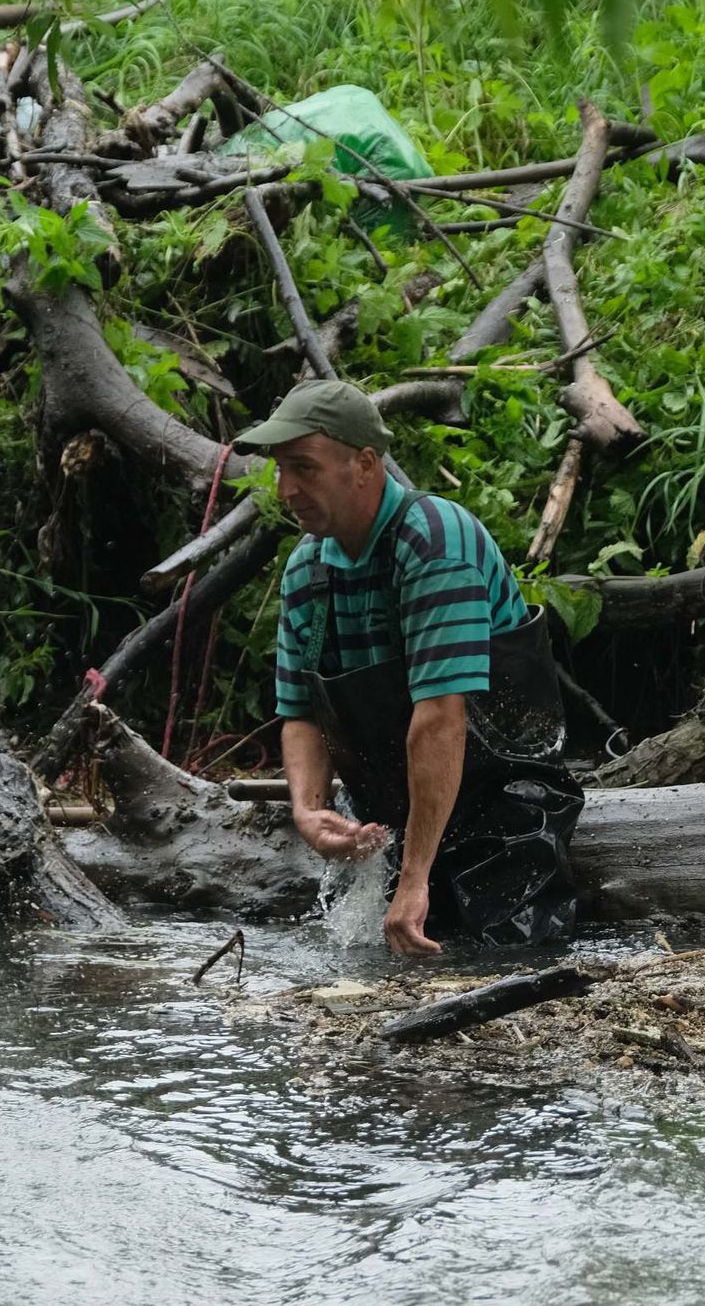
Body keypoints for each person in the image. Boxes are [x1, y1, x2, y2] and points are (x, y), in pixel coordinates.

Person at [237, 379, 582, 956]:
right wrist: (309, 810)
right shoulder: (306, 571)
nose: (285, 488)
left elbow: (442, 717)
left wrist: (415, 879)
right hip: (394, 821)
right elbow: (299, 713)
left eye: (303, 467)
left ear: (366, 464)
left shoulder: (434, 542)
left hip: (505, 817)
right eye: (280, 469)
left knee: (502, 969)